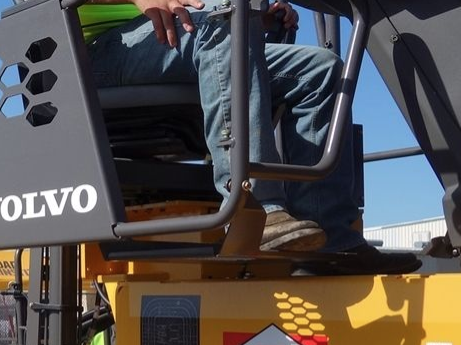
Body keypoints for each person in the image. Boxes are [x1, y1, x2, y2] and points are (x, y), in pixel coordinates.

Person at [81, 0, 420, 274]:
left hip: (173, 36)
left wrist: (260, 19)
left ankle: (331, 238)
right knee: (224, 19)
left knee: (320, 69)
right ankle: (255, 206)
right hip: (95, 53)